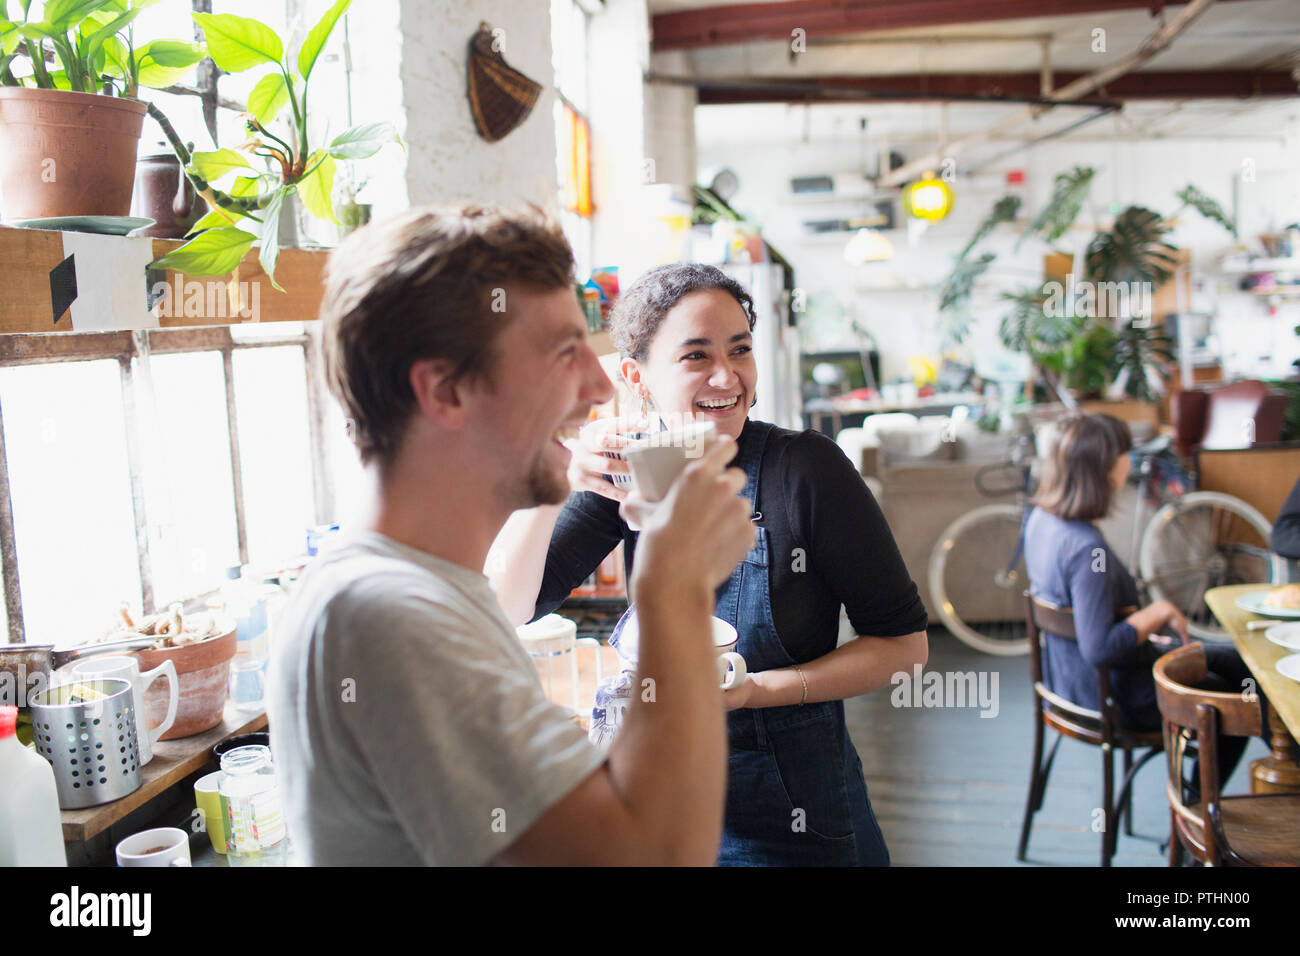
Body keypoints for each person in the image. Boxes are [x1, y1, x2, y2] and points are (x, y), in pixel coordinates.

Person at [267, 205, 758, 865]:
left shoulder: (414, 586)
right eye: (563, 352)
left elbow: (508, 599)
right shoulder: (385, 617)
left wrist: (559, 477)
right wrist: (674, 587)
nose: (600, 383)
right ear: (446, 391)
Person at [489, 263, 928, 866]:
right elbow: (506, 606)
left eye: (740, 350)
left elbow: (904, 648)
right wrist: (555, 480)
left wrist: (754, 693)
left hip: (792, 811)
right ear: (635, 377)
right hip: (663, 800)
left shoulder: (807, 470)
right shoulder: (633, 466)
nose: (728, 376)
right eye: (696, 356)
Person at [1024, 412, 1257, 791]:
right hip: (1112, 695)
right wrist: (1157, 612)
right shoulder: (1086, 548)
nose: (1128, 460)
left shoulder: (1041, 520)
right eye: (1123, 452)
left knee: (1234, 663)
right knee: (1231, 694)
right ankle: (1197, 816)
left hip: (1066, 683)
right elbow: (1099, 648)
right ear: (1104, 465)